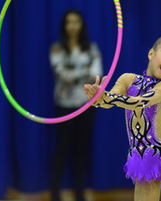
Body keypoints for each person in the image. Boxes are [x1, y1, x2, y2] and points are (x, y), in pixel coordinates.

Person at [84, 32, 161, 201]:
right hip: (142, 159)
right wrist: (98, 98)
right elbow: (108, 102)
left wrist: (106, 97)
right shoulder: (127, 79)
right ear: (151, 54)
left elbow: (138, 102)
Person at [49, 9, 103, 201]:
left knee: (82, 149)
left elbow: (96, 74)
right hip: (64, 104)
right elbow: (61, 74)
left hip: (86, 105)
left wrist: (74, 73)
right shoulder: (57, 48)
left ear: (82, 25)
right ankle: (55, 193)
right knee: (62, 149)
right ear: (64, 26)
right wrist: (83, 72)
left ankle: (79, 193)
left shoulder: (92, 48)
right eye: (69, 22)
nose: (72, 26)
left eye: (76, 22)